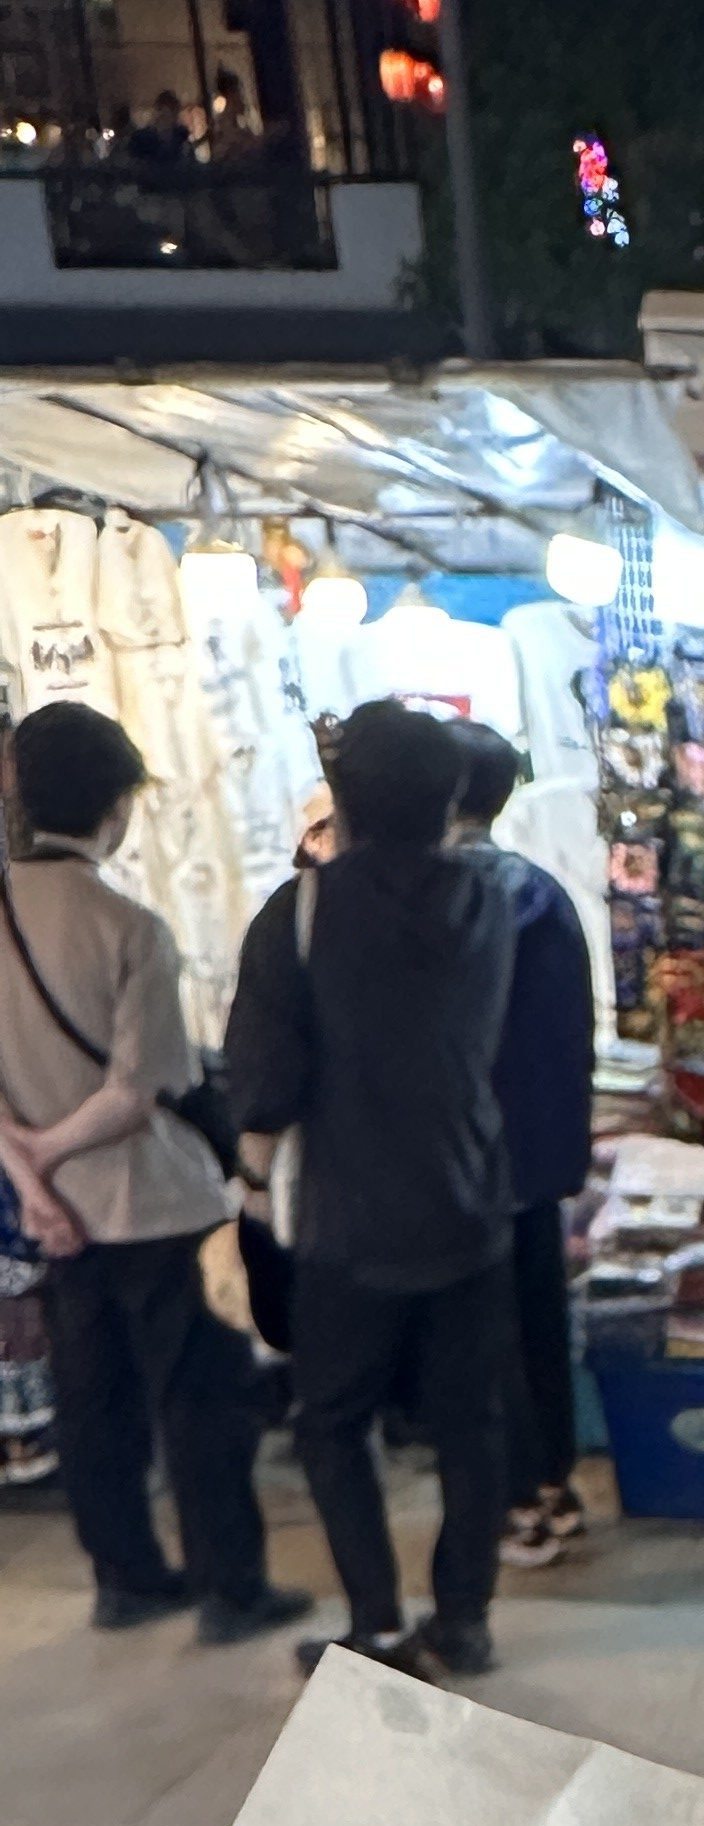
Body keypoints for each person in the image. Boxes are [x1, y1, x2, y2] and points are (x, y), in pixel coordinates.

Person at [0, 700, 304, 1642]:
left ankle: (125, 1578)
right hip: (157, 1203)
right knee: (200, 1402)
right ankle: (228, 1591)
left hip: (60, 1218)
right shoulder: (130, 927)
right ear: (117, 806)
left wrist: (33, 1179)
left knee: (93, 1405)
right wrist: (51, 1153)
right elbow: (140, 1090)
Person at [226, 698, 516, 1678]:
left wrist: (247, 1186)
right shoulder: (491, 901)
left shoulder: (298, 913)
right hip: (471, 1199)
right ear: (449, 802)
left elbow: (263, 1083)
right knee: (470, 1425)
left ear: (340, 802)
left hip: (346, 1218)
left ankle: (381, 1625)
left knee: (334, 1421)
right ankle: (465, 1616)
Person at [448, 721, 596, 1572]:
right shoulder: (536, 887)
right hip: (537, 1155)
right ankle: (552, 1488)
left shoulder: (461, 896)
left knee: (489, 1330)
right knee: (538, 1319)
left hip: (475, 1158)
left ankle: (520, 1501)